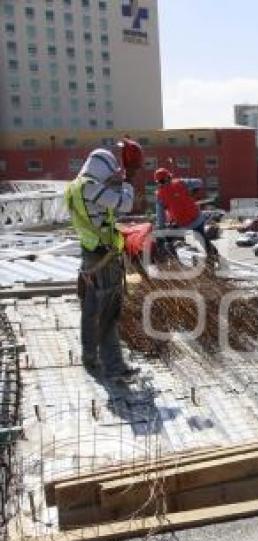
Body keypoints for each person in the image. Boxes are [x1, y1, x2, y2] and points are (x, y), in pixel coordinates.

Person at [65, 139, 144, 382]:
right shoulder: (90, 187)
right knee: (109, 315)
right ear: (100, 169)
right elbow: (126, 204)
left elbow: (100, 212)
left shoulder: (74, 187)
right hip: (103, 257)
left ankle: (90, 359)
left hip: (90, 254)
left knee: (90, 311)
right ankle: (115, 368)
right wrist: (129, 177)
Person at [153, 168, 215, 258]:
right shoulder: (181, 182)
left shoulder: (160, 195)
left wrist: (161, 229)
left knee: (169, 240)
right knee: (203, 240)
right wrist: (193, 192)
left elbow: (160, 218)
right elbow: (199, 182)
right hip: (196, 218)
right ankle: (213, 256)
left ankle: (175, 259)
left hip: (182, 224)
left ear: (158, 182)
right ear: (169, 177)